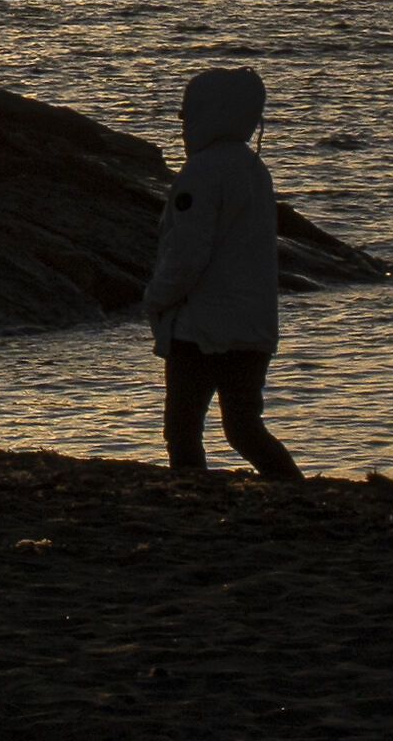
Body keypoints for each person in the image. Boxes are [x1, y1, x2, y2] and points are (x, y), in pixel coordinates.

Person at [145, 65, 302, 482]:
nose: (182, 124)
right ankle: (295, 492)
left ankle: (193, 500)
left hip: (200, 331)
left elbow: (187, 253)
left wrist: (157, 299)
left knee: (182, 429)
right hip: (253, 328)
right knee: (244, 428)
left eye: (186, 114)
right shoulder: (253, 169)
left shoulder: (200, 172)